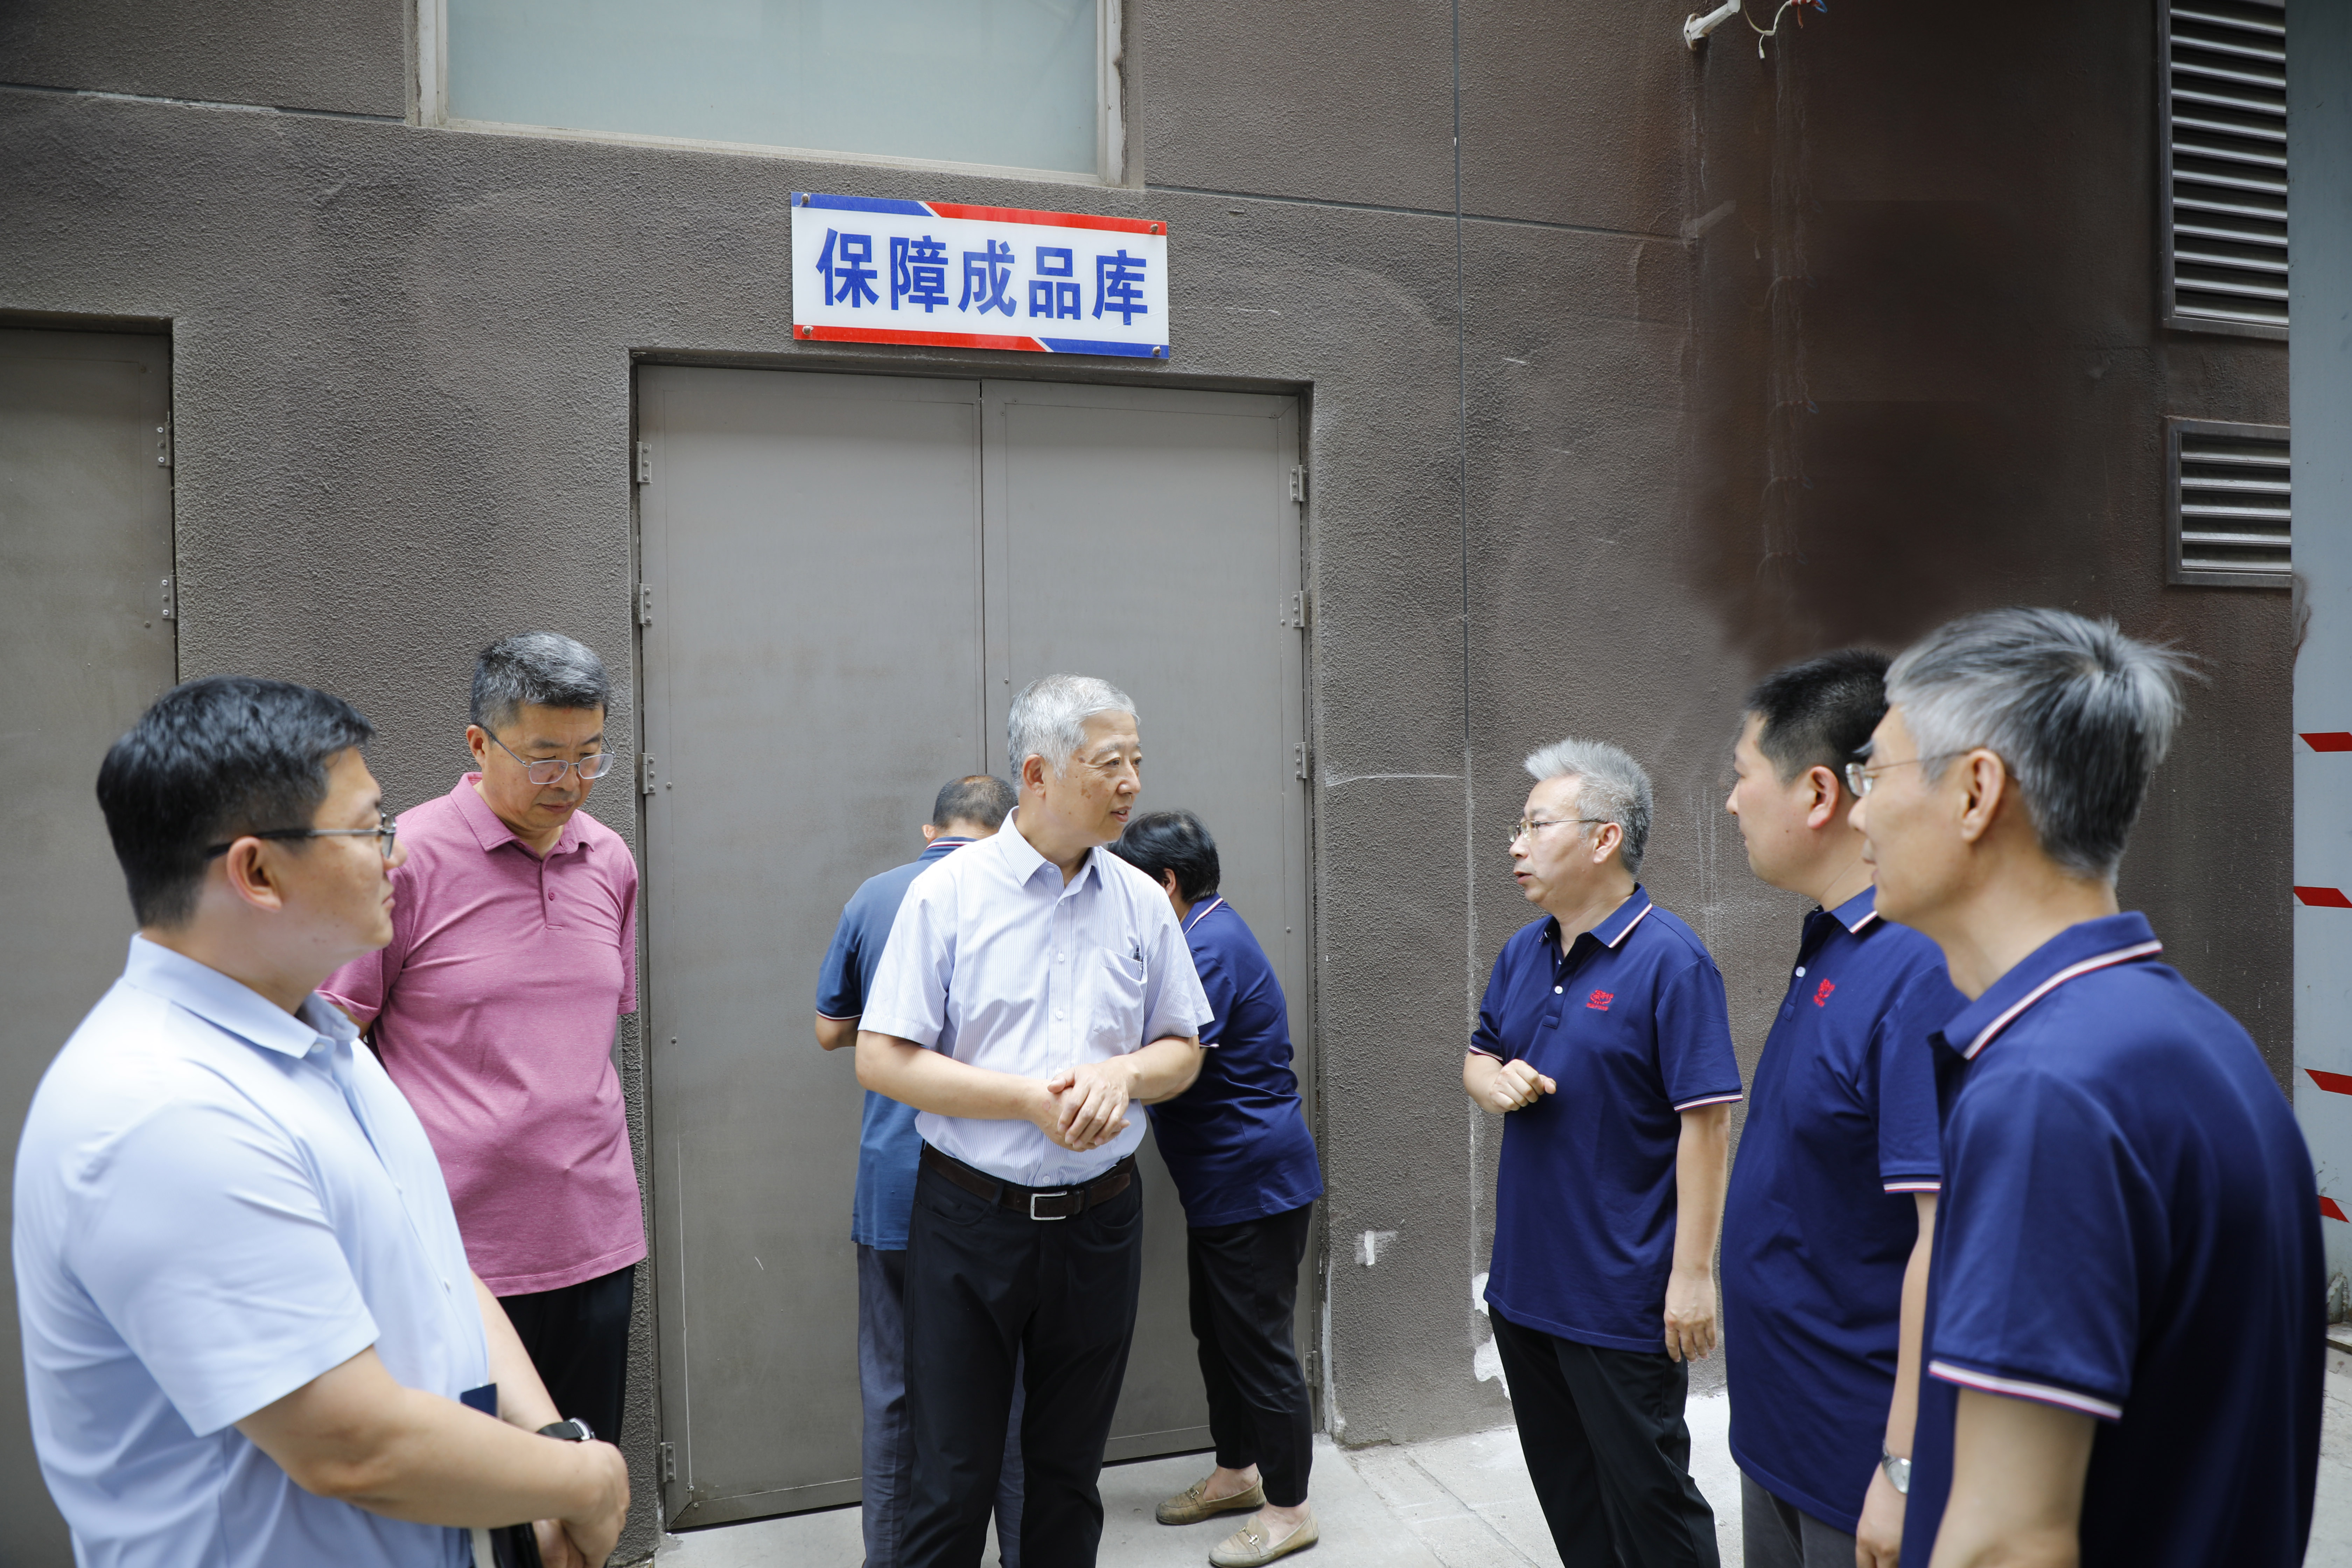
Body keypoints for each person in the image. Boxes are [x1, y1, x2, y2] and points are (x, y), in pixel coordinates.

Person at [14, 675, 629, 1566]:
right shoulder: (166, 1111)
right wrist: (585, 1480)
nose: (399, 854)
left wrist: (548, 1440)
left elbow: (437, 1265)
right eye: (369, 829)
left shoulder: (323, 1042)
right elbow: (352, 1444)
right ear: (258, 872)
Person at [1848, 608, 2322, 1568]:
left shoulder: (2046, 1093)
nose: (1857, 814)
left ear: (1977, 791)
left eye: (1874, 773)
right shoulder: (2198, 1039)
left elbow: (2009, 1541)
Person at [856, 673, 1213, 1568]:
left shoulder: (1140, 899)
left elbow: (1183, 1048)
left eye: (1137, 760)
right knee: (951, 1477)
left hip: (1101, 1220)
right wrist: (1024, 1099)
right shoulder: (948, 895)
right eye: (1109, 762)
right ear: (1039, 772)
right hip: (968, 1219)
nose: (1132, 782)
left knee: (1067, 1475)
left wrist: (1122, 1073)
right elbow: (881, 1057)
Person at [324, 632, 643, 1450]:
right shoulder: (405, 859)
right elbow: (332, 1048)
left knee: (583, 1482)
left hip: (597, 1239)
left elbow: (586, 1046)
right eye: (544, 758)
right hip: (454, 1256)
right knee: (474, 1496)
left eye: (590, 755)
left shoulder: (610, 859)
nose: (569, 781)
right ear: (479, 743)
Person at [1464, 737, 1741, 1568]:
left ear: (1604, 837)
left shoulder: (1672, 960)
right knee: (1574, 1502)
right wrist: (1492, 1080)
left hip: (1619, 1297)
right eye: (1517, 827)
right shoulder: (1524, 950)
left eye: (1535, 824)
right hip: (1525, 1287)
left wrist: (1693, 1276)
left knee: (1653, 1507)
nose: (1516, 844)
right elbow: (1478, 1054)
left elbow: (1707, 1125)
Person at [1718, 651, 1962, 1568]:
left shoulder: (1916, 967)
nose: (1732, 802)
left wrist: (1901, 1468)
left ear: (1819, 792)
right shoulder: (1831, 942)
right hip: (1780, 1435)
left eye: (1743, 775)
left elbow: (1943, 1238)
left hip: (1856, 1463)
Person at [817, 774, 1026, 1568]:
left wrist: (895, 1025)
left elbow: (829, 1029)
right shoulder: (1022, 897)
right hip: (996, 1186)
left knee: (895, 1389)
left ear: (929, 829)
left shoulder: (876, 895)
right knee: (1013, 1391)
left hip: (894, 1186)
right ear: (1009, 829)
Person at [1110, 811, 1324, 1568]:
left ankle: (1289, 1509)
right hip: (1224, 1184)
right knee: (1220, 1334)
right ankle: (1237, 1474)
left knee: (1259, 1348)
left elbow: (1165, 1057)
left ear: (1165, 882)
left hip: (1253, 1182)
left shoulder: (1208, 947)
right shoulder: (1200, 932)